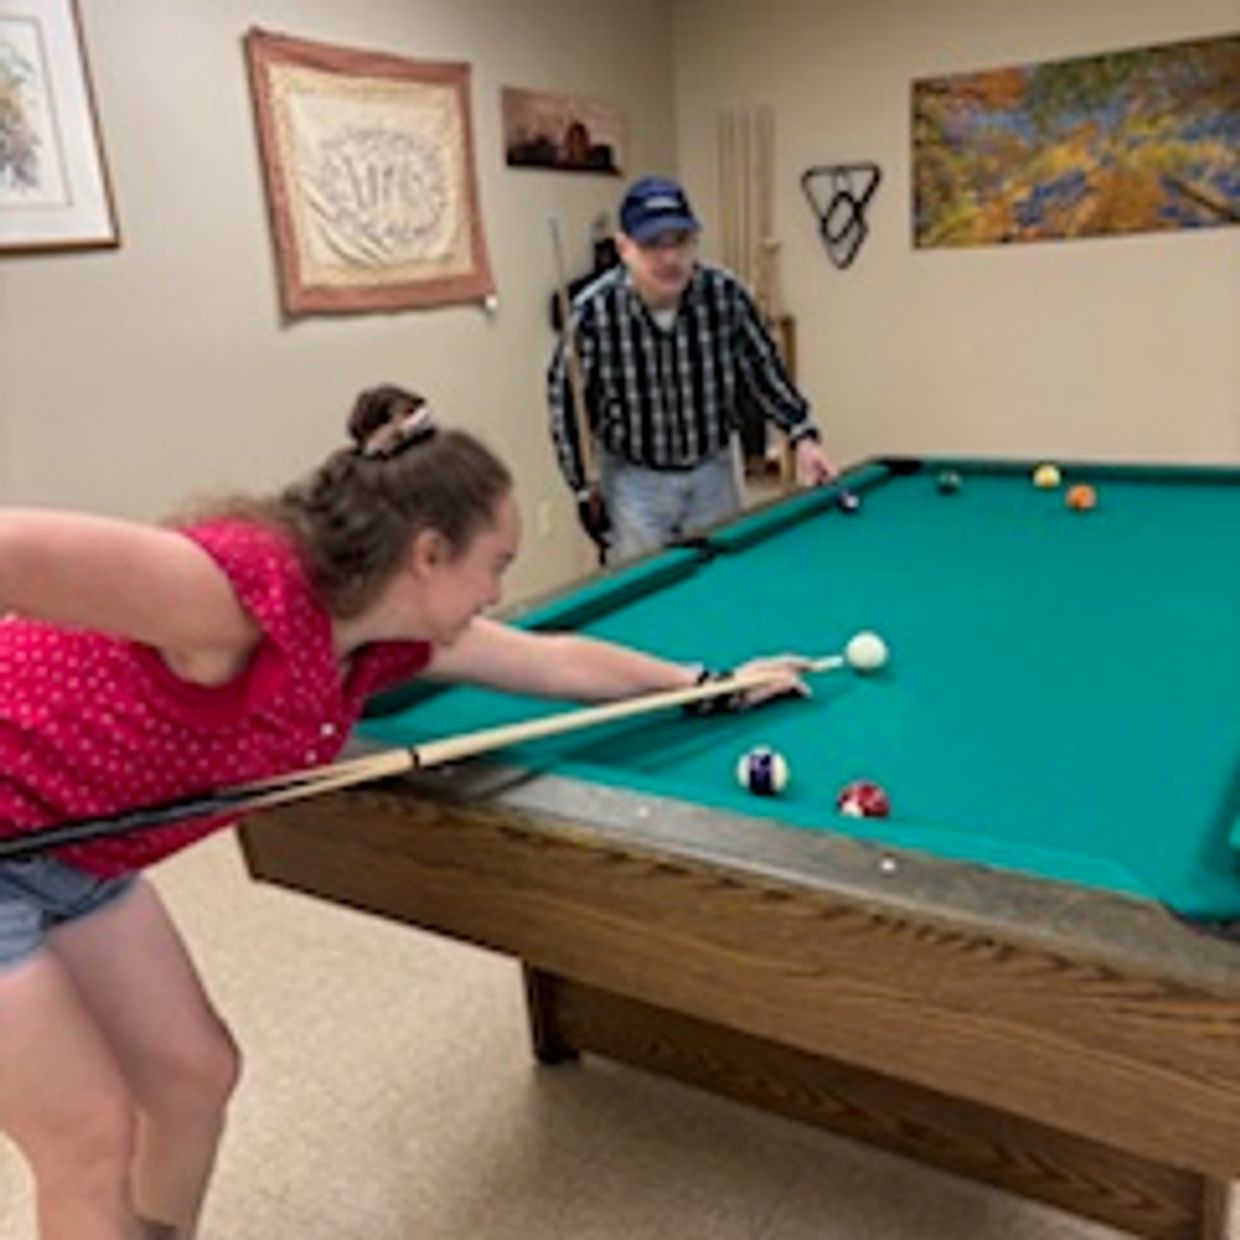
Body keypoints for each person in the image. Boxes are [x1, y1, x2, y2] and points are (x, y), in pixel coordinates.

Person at [0, 384, 811, 1240]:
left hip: (79, 858)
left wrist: (708, 682)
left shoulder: (385, 637)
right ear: (428, 553)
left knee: (196, 1077)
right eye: (494, 563)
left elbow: (555, 663)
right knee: (88, 1139)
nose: (499, 590)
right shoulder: (235, 593)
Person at [548, 175, 838, 561]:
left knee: (725, 585)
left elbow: (764, 369)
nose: (669, 259)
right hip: (635, 481)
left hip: (712, 470)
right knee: (645, 601)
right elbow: (565, 407)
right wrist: (582, 488)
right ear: (624, 248)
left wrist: (802, 436)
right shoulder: (592, 314)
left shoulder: (724, 295)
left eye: (680, 242)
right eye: (652, 245)